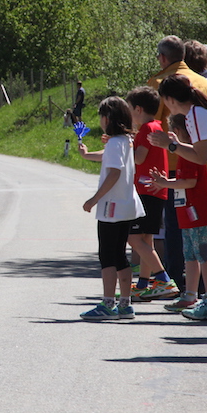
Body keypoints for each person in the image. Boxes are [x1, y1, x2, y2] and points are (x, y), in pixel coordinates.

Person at [148, 73, 207, 321]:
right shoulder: (201, 110)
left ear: (171, 100)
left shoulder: (195, 114)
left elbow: (199, 156)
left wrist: (169, 145)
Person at [78, 97, 145, 321]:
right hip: (126, 206)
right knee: (120, 255)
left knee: (107, 256)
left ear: (108, 118)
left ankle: (108, 303)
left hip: (111, 207)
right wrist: (87, 155)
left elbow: (114, 172)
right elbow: (110, 157)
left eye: (101, 116)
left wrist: (94, 199)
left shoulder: (116, 143)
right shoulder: (125, 141)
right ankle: (125, 304)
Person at [146, 114, 207, 313]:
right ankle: (190, 295)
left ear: (177, 132)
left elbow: (190, 182)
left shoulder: (190, 153)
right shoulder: (184, 153)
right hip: (188, 212)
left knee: (202, 254)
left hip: (198, 212)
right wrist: (165, 182)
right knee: (190, 255)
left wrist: (165, 183)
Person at [123, 86, 178, 302]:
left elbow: (139, 158)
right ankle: (143, 285)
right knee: (146, 240)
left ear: (138, 109)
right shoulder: (155, 126)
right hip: (155, 191)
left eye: (129, 108)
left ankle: (163, 279)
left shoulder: (147, 129)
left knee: (133, 238)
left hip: (146, 191)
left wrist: (124, 145)